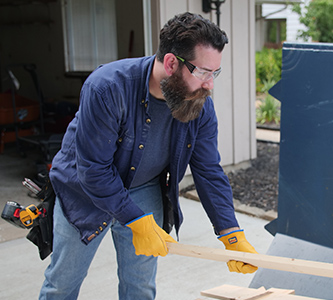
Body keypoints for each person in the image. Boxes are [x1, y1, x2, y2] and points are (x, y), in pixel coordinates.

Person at [39, 12, 258, 300]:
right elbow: (93, 170)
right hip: (83, 191)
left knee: (140, 286)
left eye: (214, 73)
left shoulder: (200, 105)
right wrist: (135, 220)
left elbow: (208, 170)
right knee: (63, 284)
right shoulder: (107, 88)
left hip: (143, 187)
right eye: (204, 72)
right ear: (171, 63)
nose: (210, 84)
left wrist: (230, 231)